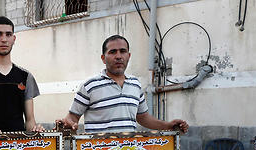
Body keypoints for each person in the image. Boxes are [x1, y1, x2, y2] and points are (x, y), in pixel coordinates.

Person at [56, 35, 189, 134]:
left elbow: (143, 117)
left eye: (122, 51)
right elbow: (72, 117)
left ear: (129, 56)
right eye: (113, 52)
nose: (118, 56)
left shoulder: (135, 84)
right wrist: (67, 124)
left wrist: (168, 125)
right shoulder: (90, 85)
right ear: (103, 58)